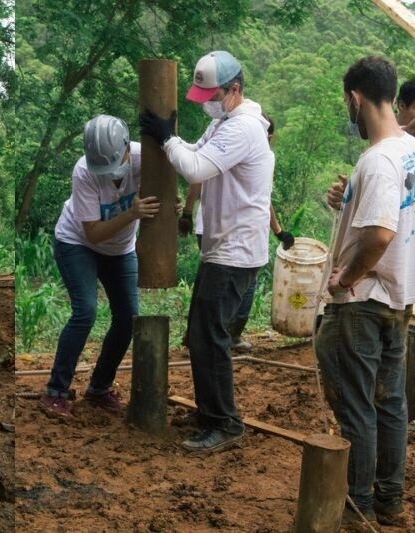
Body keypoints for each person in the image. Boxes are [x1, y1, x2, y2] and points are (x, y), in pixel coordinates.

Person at [140, 51, 274, 452]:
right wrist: (168, 138)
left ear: (234, 89)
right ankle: (211, 412)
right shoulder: (224, 121)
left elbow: (195, 169)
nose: (207, 103)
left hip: (234, 251)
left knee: (208, 337)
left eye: (212, 94)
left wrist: (165, 136)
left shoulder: (244, 128)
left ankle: (224, 422)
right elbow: (192, 152)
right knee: (200, 335)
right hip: (223, 248)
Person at [317, 56, 414, 528]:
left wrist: (346, 278)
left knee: (357, 409)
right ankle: (390, 500)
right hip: (398, 299)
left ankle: (357, 507)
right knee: (390, 403)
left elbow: (378, 235)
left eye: (347, 103)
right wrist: (346, 198)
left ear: (355, 98)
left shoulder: (376, 161)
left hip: (361, 303)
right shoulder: (409, 151)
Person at [38, 114, 163, 419]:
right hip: (77, 243)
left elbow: (165, 189)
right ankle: (55, 390)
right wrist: (132, 214)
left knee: (128, 317)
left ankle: (99, 388)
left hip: (120, 249)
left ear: (125, 147)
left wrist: (169, 207)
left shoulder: (144, 157)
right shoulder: (84, 172)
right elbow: (92, 231)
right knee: (86, 311)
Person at [179, 114, 294, 352]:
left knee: (206, 283)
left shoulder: (222, 143)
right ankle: (227, 337)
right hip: (235, 235)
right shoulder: (261, 154)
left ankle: (196, 335)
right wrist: (279, 231)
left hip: (209, 227)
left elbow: (197, 175)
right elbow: (263, 199)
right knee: (245, 286)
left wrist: (188, 213)